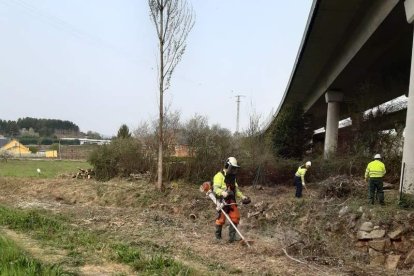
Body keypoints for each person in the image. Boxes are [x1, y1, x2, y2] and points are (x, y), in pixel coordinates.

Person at [213, 157, 248, 243]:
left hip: (231, 200)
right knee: (221, 219)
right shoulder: (219, 176)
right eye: (232, 167)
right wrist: (222, 192)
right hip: (222, 201)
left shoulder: (232, 177)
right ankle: (217, 237)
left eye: (234, 168)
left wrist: (243, 197)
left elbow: (236, 190)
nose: (233, 170)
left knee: (235, 217)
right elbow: (215, 189)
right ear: (227, 165)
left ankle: (232, 237)